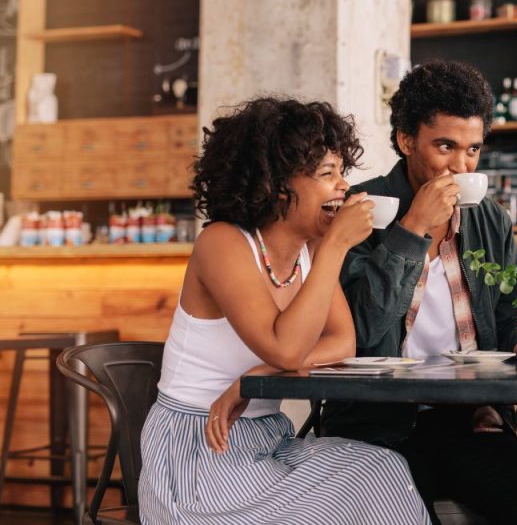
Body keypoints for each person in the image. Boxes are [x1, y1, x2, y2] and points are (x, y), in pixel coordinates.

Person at [138, 97, 429, 525]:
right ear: (276, 184)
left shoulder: (309, 250)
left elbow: (341, 342)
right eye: (328, 174)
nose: (344, 187)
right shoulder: (222, 243)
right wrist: (336, 244)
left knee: (381, 469)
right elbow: (286, 350)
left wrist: (257, 378)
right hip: (199, 451)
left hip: (267, 441)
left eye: (342, 172)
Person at [320, 60, 517, 525]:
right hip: (379, 426)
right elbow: (357, 332)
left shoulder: (490, 220)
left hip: (470, 422)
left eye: (473, 149)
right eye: (445, 146)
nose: (461, 165)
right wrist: (413, 227)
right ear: (405, 140)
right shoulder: (361, 210)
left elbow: (510, 313)